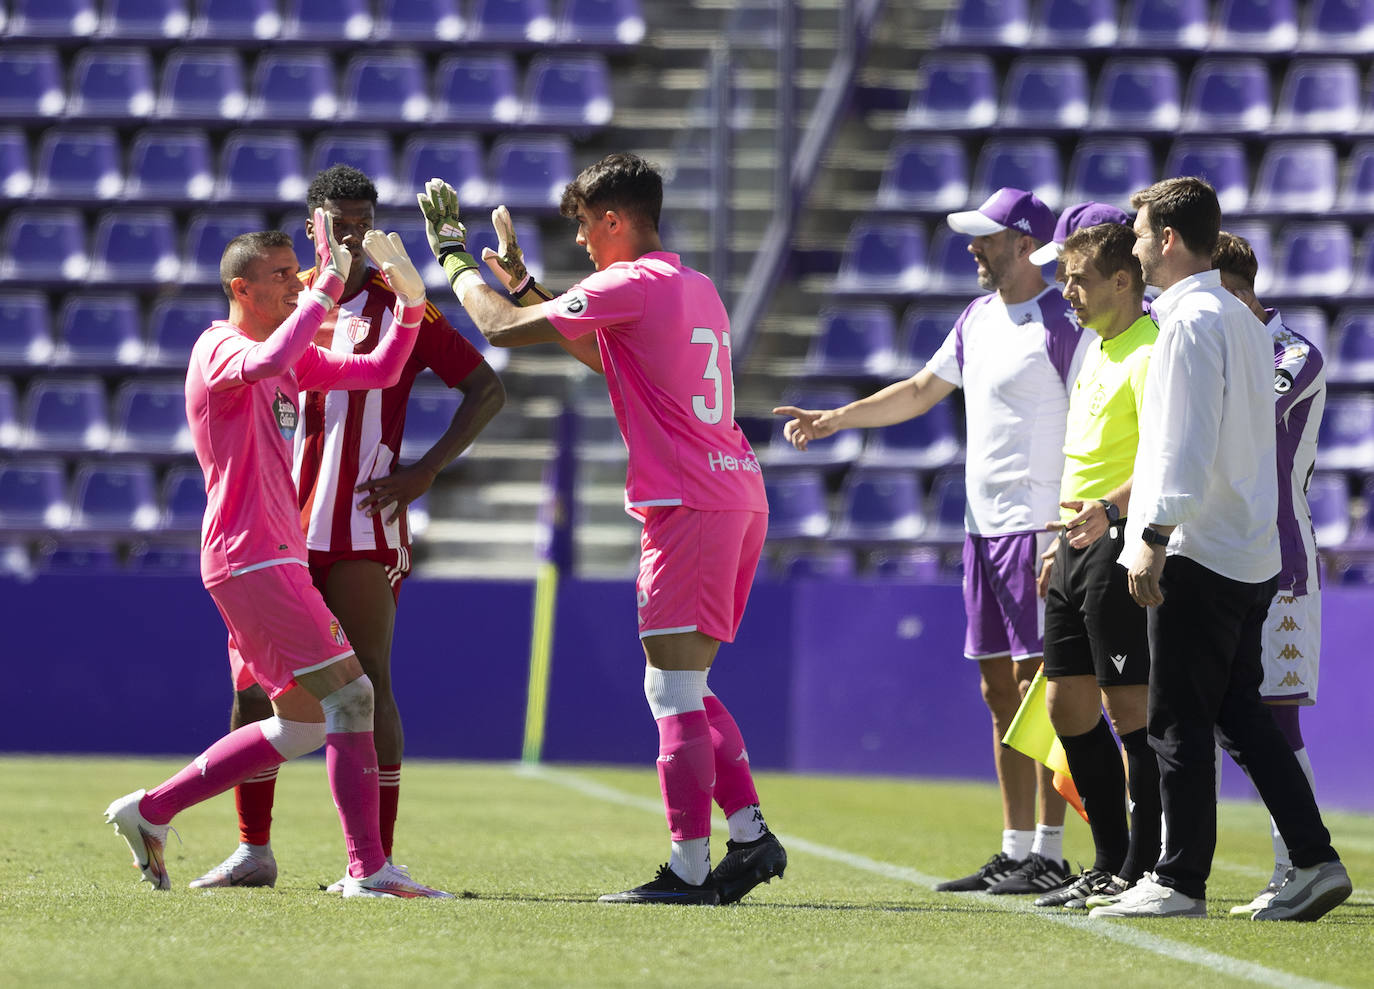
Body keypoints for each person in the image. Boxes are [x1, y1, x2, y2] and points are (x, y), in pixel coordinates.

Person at [417, 152, 785, 906]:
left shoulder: (628, 282)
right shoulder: (693, 286)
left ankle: (689, 868)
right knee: (683, 683)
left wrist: (452, 257)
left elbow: (501, 328)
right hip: (733, 490)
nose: (581, 241)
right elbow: (610, 353)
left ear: (615, 220)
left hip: (689, 499)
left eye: (585, 226)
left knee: (672, 688)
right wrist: (528, 285)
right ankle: (748, 835)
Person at [104, 215, 452, 899]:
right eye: (282, 276)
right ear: (242, 288)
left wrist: (411, 310)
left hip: (268, 557)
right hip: (252, 554)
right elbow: (265, 360)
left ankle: (151, 810)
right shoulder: (221, 346)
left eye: (299, 270)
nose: (296, 284)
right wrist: (325, 288)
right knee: (353, 695)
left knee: (301, 723)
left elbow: (379, 369)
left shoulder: (286, 356)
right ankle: (367, 870)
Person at [187, 164, 506, 890]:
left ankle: (376, 858)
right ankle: (252, 848)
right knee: (252, 693)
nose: (353, 232)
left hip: (361, 521)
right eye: (339, 220)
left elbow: (487, 387)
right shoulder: (284, 300)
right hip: (278, 531)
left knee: (367, 684)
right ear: (312, 227)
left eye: (363, 217)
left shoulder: (401, 302)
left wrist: (426, 470)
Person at [776, 188, 1090, 894]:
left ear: (1021, 243)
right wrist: (837, 419)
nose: (972, 247)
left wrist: (1067, 523)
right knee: (996, 689)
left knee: (1044, 691)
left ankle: (1049, 848)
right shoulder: (978, 317)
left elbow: (1091, 421)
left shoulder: (1064, 323)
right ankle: (1013, 849)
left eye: (985, 236)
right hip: (982, 532)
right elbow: (920, 388)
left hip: (1040, 529)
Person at [1091, 176, 1350, 921]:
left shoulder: (1190, 320)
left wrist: (1153, 535)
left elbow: (1185, 437)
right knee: (1240, 713)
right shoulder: (1238, 317)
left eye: (1140, 235)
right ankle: (1312, 856)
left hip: (1200, 548)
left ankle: (1178, 880)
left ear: (1167, 240)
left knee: (1177, 720)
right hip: (1250, 548)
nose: (1135, 248)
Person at [1030, 221, 1162, 910]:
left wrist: (1108, 513)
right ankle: (1109, 857)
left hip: (1119, 543)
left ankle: (1144, 864)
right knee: (1065, 702)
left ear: (1121, 280)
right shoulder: (1098, 350)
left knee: (1129, 707)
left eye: (1077, 278)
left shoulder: (1152, 350)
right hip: (1076, 545)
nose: (1066, 291)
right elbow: (1085, 453)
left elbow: (1167, 456)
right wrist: (1060, 540)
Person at [1212, 230, 1329, 916]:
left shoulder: (1294, 354)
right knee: (1237, 714)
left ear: (1232, 288)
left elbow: (1247, 423)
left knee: (1276, 717)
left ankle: (1297, 864)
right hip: (1231, 550)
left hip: (1282, 558)